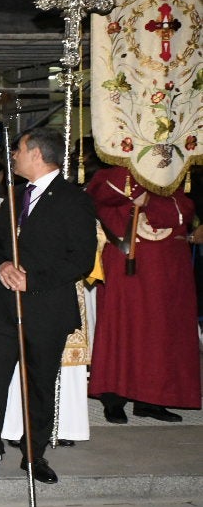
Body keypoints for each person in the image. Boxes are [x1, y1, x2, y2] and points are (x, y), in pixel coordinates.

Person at [0, 129, 98, 482]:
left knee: (40, 383)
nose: (14, 156)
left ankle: (34, 454)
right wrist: (0, 265)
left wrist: (33, 280)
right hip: (4, 304)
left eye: (20, 150)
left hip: (46, 308)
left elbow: (82, 259)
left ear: (38, 155)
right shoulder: (15, 196)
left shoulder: (73, 199)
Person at [87, 163, 200, 422]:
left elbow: (182, 211)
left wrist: (148, 198)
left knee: (161, 331)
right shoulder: (110, 175)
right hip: (126, 266)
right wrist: (135, 179)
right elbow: (103, 196)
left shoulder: (173, 177)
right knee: (122, 326)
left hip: (166, 268)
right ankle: (113, 397)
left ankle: (152, 398)